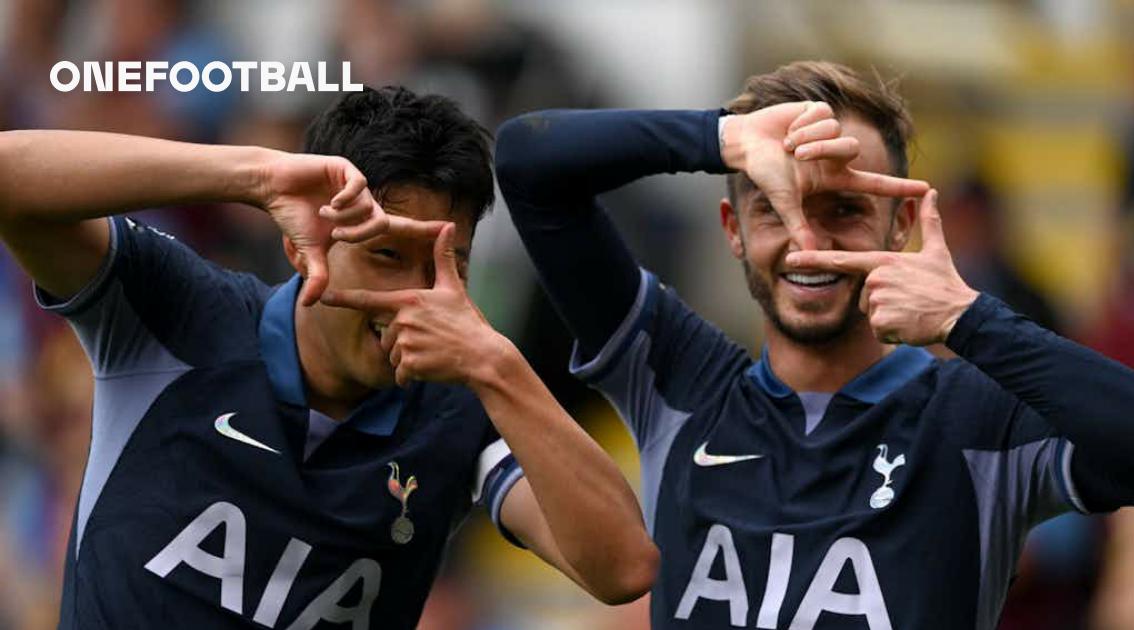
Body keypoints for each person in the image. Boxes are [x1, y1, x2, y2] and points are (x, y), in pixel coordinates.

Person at [495, 61, 1134, 629]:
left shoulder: (977, 418)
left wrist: (968, 317)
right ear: (733, 228)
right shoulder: (681, 377)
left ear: (900, 228)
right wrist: (721, 139)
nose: (809, 244)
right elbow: (528, 161)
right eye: (776, 206)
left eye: (844, 210)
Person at [0, 86, 658, 629]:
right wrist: (252, 175)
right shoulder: (181, 311)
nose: (414, 297)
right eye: (385, 255)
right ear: (302, 242)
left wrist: (498, 366)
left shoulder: (463, 409)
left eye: (446, 265)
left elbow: (624, 567)